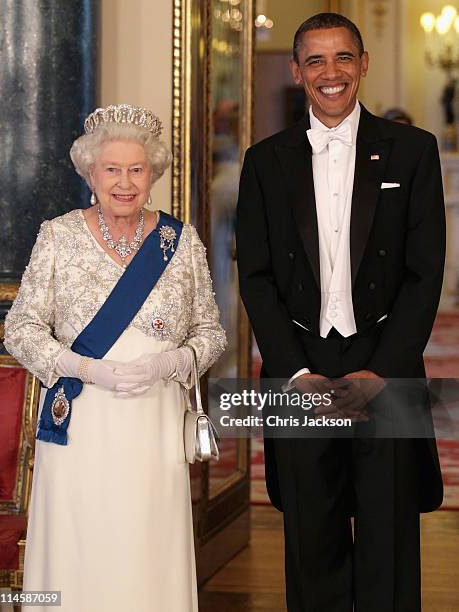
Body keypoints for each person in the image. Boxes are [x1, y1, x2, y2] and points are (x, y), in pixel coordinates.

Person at [236, 12, 445, 612]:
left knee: (390, 529)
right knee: (309, 530)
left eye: (344, 58)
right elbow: (255, 276)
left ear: (364, 64)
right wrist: (294, 372)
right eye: (317, 60)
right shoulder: (265, 161)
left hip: (386, 360)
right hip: (300, 363)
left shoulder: (413, 151)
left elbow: (424, 272)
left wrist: (385, 369)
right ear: (298, 71)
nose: (332, 73)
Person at [4, 104, 226, 612]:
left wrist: (170, 363)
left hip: (153, 422)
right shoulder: (58, 236)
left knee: (145, 544)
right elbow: (21, 329)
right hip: (82, 421)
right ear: (90, 173)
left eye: (136, 169)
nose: (124, 182)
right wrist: (84, 367)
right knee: (82, 542)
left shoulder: (180, 240)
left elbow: (211, 331)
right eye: (112, 169)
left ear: (153, 174)